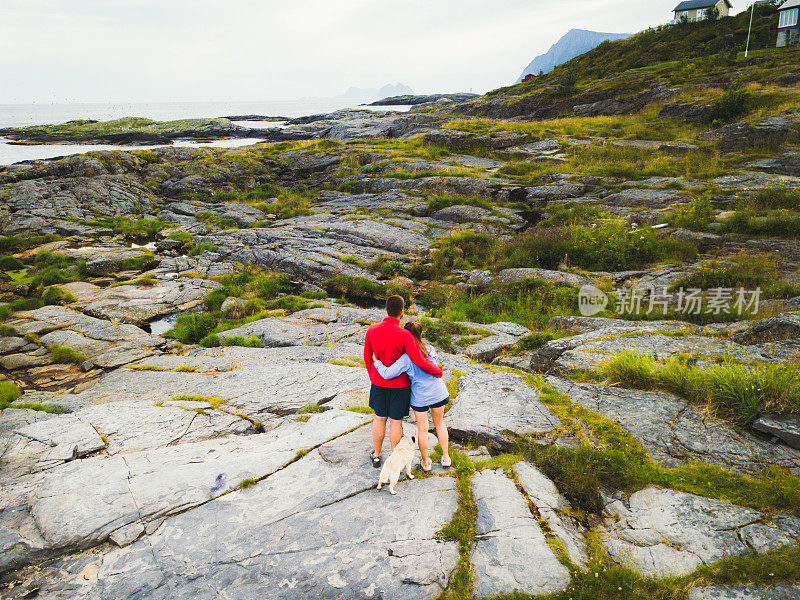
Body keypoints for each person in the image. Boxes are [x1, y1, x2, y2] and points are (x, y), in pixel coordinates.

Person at [363, 295, 443, 468]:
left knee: (379, 418)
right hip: (399, 387)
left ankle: (376, 455)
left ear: (386, 309)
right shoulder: (405, 335)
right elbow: (419, 361)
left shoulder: (372, 329)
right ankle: (395, 458)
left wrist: (373, 376)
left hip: (378, 383)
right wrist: (437, 371)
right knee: (396, 421)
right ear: (402, 312)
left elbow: (367, 357)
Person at [373, 322, 451, 471]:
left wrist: (376, 362)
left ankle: (426, 461)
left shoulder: (406, 357)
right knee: (440, 424)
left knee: (423, 429)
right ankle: (446, 457)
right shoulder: (429, 349)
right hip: (438, 391)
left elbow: (387, 374)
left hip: (420, 397)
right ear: (420, 334)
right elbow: (433, 367)